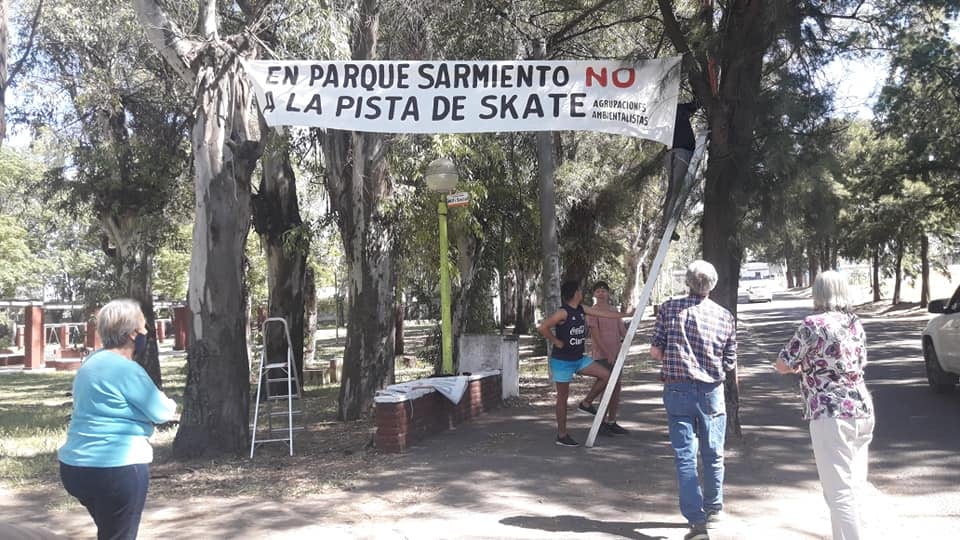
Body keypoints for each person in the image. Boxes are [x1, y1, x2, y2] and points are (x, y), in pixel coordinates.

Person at [59, 299, 178, 540]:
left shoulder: (92, 362)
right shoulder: (126, 370)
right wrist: (169, 402)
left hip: (75, 467)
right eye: (144, 327)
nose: (146, 333)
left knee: (110, 531)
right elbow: (163, 412)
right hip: (116, 469)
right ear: (133, 334)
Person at [775, 271, 874, 540]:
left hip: (830, 412)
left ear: (817, 292)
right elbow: (860, 362)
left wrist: (805, 369)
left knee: (838, 492)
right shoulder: (855, 323)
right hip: (861, 407)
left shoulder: (812, 324)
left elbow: (783, 363)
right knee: (853, 487)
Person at [650, 260, 736, 540]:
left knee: (685, 456)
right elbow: (730, 360)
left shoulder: (668, 309)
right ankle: (715, 510)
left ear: (688, 282)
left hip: (677, 389)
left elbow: (655, 351)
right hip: (712, 392)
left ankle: (696, 522)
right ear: (713, 284)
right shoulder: (724, 316)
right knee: (713, 453)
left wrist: (675, 360)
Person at [537, 280, 629, 447]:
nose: (581, 292)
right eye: (579, 290)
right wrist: (555, 341)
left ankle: (586, 403)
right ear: (574, 293)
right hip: (562, 361)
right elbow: (543, 327)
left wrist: (626, 314)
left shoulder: (581, 309)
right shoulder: (563, 312)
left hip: (579, 359)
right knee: (562, 398)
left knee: (607, 376)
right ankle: (562, 435)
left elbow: (604, 314)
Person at [586, 280, 629, 435]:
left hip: (617, 353)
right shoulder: (592, 311)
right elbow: (595, 335)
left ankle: (612, 421)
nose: (601, 293)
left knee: (616, 387)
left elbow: (621, 329)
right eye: (598, 291)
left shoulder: (613, 310)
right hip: (603, 355)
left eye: (604, 290)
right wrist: (607, 353)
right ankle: (601, 422)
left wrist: (630, 336)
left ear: (608, 293)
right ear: (594, 294)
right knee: (606, 386)